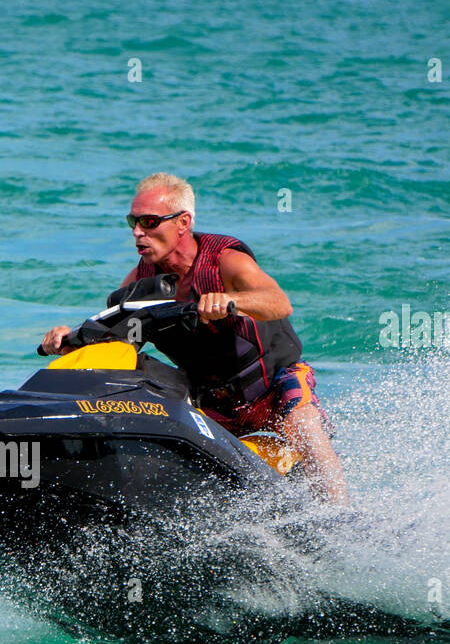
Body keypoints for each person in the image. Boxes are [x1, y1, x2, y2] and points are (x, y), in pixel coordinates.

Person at [40, 172, 348, 505]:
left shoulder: (225, 262)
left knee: (303, 423)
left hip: (274, 385)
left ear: (183, 222)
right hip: (211, 403)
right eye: (133, 221)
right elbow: (118, 343)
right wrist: (67, 342)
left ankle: (337, 521)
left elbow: (278, 302)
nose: (137, 232)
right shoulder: (138, 285)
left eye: (149, 221)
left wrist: (231, 301)